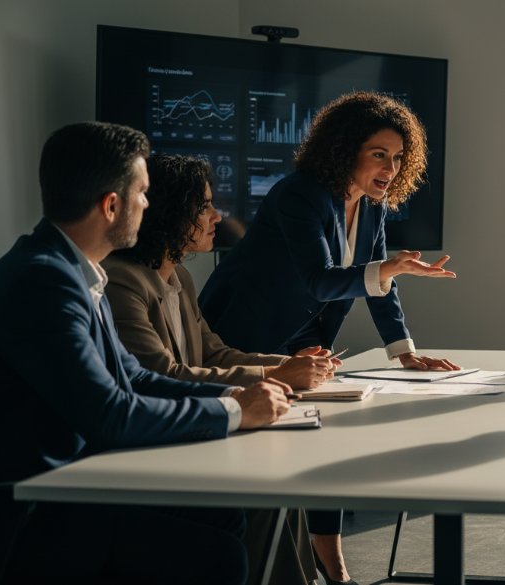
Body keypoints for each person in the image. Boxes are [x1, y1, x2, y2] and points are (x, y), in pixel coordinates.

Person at [0, 122, 292, 585]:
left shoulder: (76, 271)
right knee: (219, 556)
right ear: (111, 205)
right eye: (143, 193)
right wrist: (232, 412)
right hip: (32, 510)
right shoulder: (45, 281)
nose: (148, 205)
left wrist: (238, 392)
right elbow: (110, 414)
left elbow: (134, 378)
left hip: (75, 486)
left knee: (225, 514)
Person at [198, 91, 458, 584]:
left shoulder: (375, 208)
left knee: (322, 436)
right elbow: (320, 277)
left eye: (398, 157)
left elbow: (380, 285)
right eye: (378, 153)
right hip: (245, 331)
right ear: (344, 149)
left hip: (306, 338)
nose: (390, 166)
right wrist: (385, 269)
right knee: (262, 455)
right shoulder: (300, 193)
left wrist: (404, 351)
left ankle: (331, 565)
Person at [103, 154, 340, 585]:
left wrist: (286, 363)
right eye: (204, 206)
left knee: (282, 482)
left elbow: (213, 354)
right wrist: (273, 377)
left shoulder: (179, 279)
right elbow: (165, 374)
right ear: (171, 212)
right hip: (155, 451)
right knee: (269, 487)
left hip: (191, 436)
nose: (217, 215)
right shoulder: (124, 281)